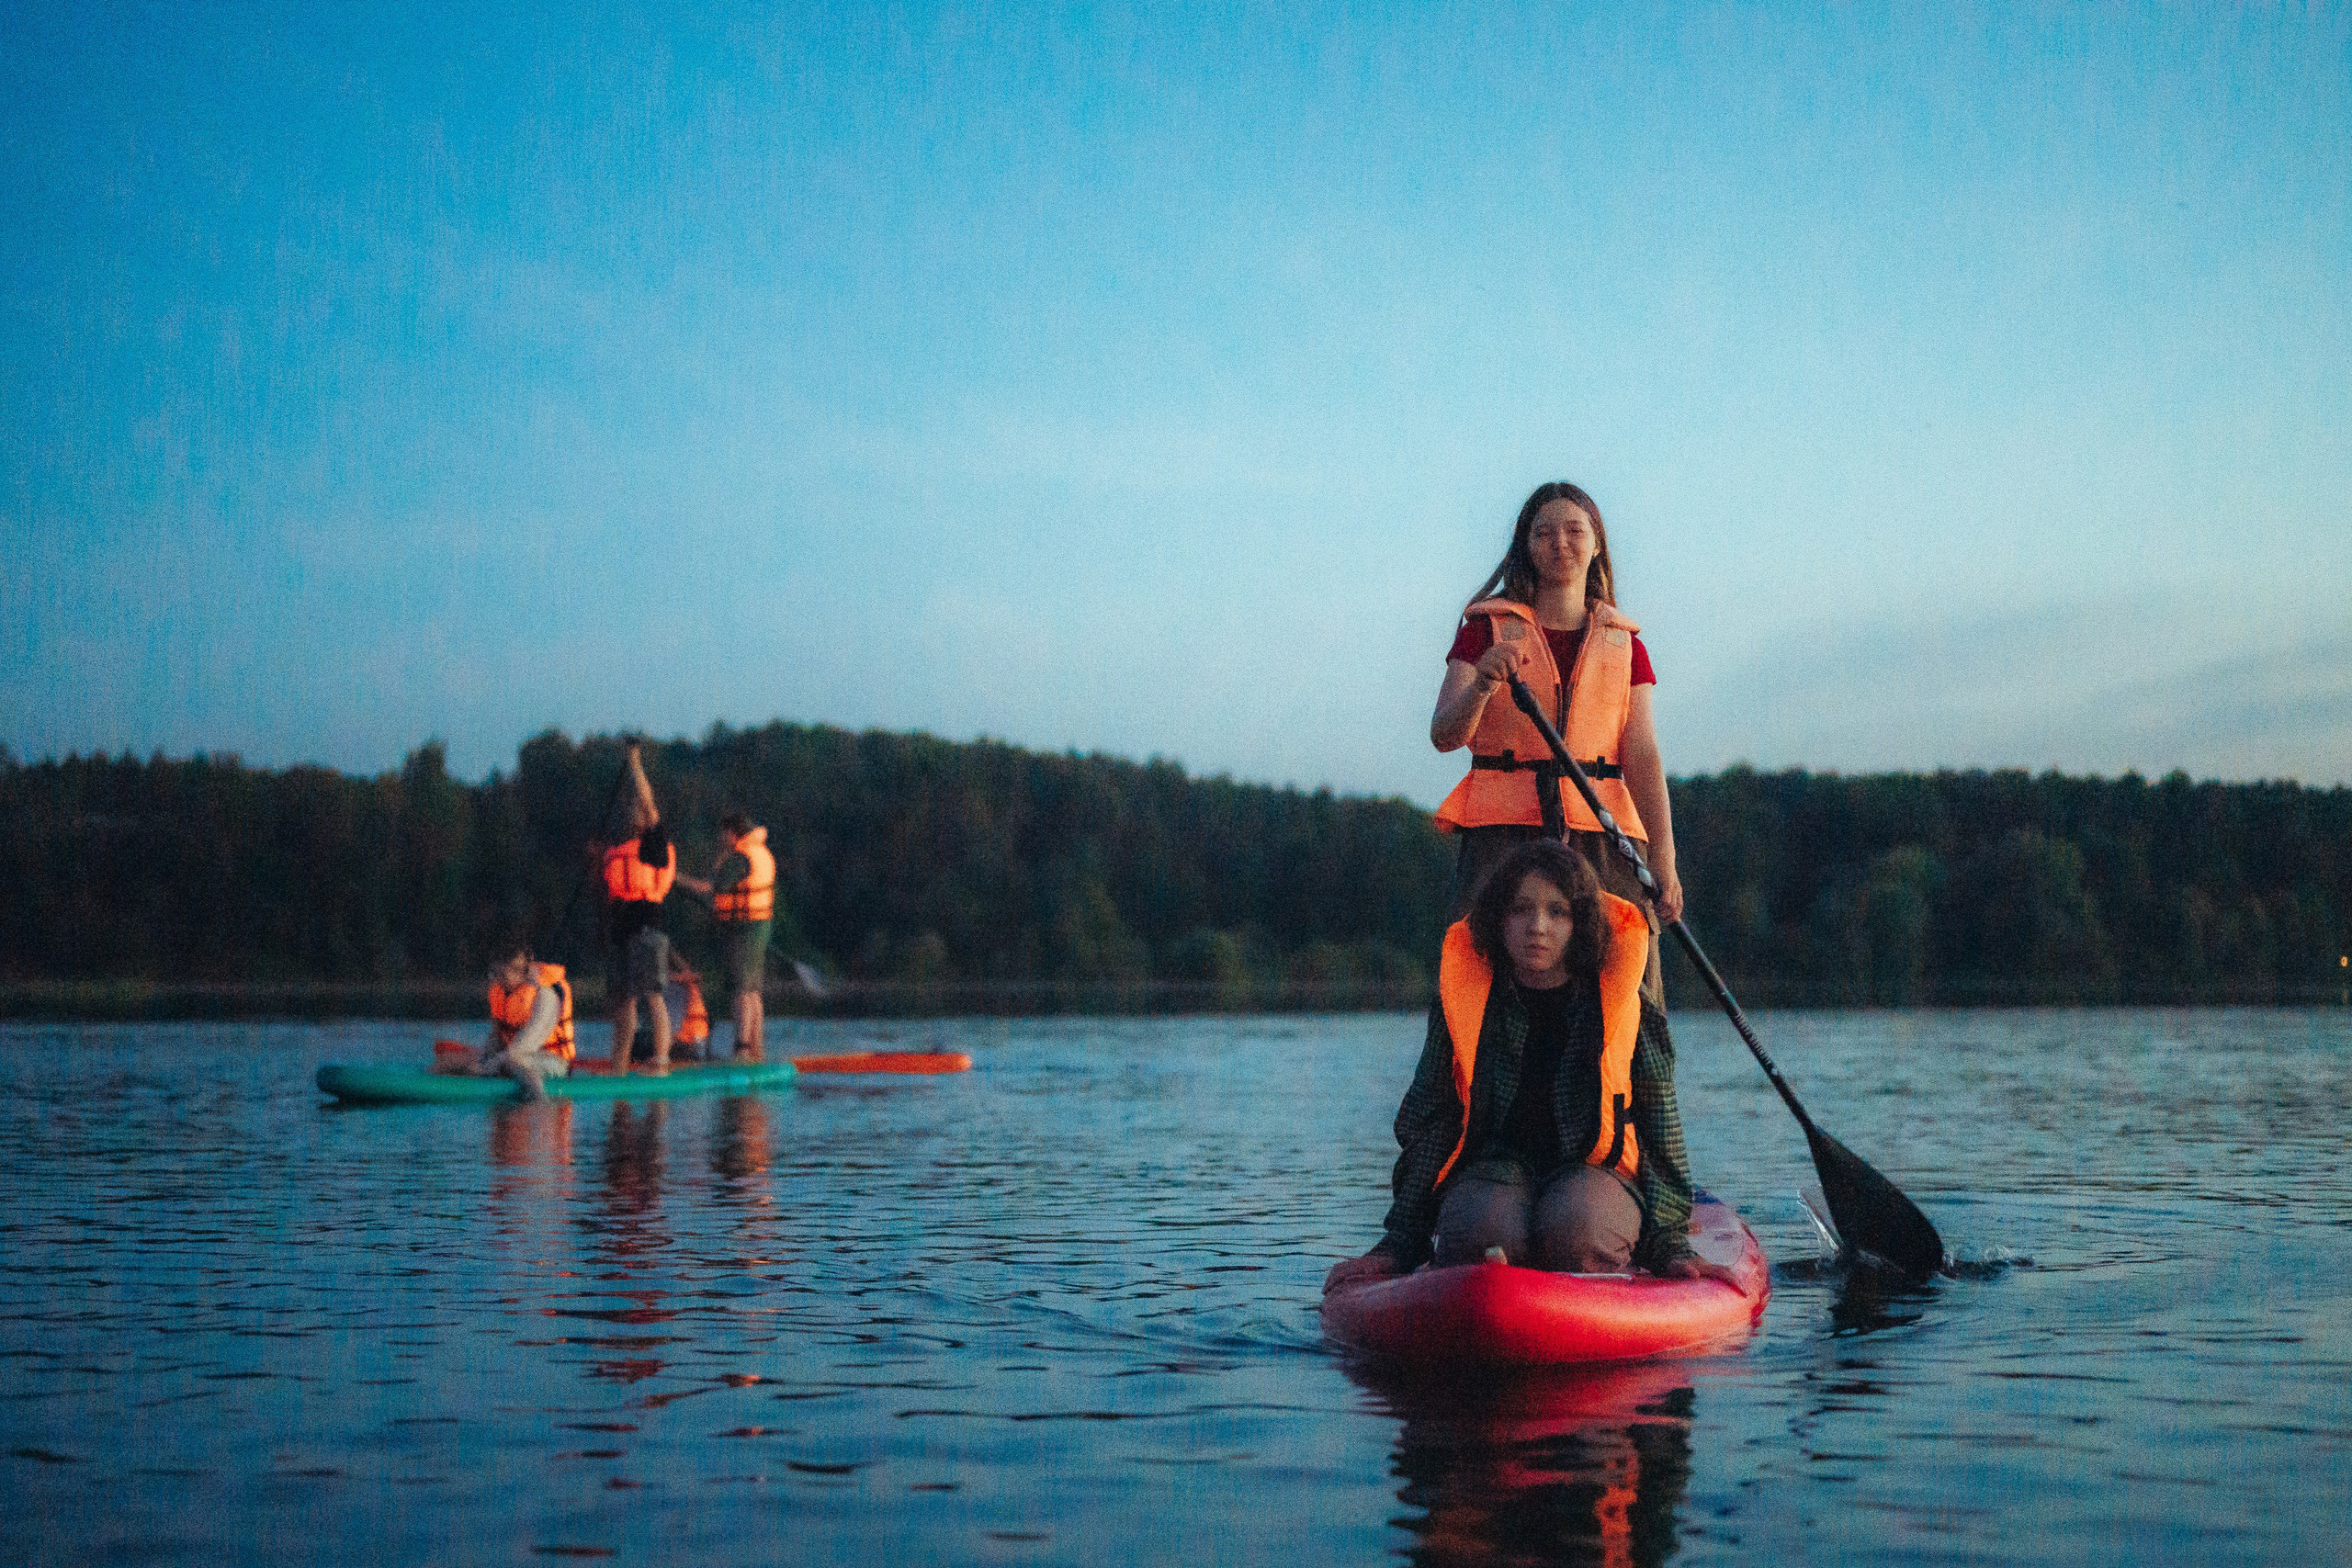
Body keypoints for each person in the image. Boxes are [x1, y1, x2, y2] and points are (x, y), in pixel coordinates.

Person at [1323, 840, 1736, 1290]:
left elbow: (1661, 1131)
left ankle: (1614, 1247)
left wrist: (1671, 1246)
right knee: (1480, 1236)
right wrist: (1399, 1243)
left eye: (1557, 912)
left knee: (1577, 1232)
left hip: (1595, 1169)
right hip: (1493, 1167)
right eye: (1520, 910)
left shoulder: (1628, 1005)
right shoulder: (1463, 1003)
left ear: (1579, 922)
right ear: (1499, 920)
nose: (1537, 927)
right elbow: (1429, 1123)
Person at [1428, 480, 1683, 1009]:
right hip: (1504, 836)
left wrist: (1665, 859)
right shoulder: (1484, 630)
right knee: (1483, 983)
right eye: (1543, 533)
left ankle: (1627, 1066)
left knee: (1623, 987)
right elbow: (1445, 735)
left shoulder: (1626, 644)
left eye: (1574, 531)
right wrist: (1482, 685)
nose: (1559, 543)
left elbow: (1642, 756)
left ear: (1596, 544)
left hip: (1603, 837)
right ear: (1526, 545)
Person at [599, 742, 676, 1072]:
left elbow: (648, 801)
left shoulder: (654, 843)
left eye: (640, 811)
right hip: (622, 930)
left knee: (652, 996)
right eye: (632, 810)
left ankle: (661, 1060)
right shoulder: (620, 848)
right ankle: (619, 1064)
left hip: (646, 928)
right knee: (623, 1001)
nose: (635, 813)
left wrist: (634, 764)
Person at [675, 811, 775, 1060]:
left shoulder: (740, 857)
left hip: (743, 930)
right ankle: (756, 1049)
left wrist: (674, 879)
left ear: (733, 832)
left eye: (724, 832)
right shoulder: (760, 852)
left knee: (741, 990)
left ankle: (742, 1050)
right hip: (758, 927)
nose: (721, 837)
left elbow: (711, 887)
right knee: (752, 990)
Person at [474, 942, 575, 1100]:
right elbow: (495, 1036)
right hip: (512, 1057)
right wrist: (481, 1061)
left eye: (502, 974)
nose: (496, 979)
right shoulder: (502, 991)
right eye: (495, 973)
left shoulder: (545, 996)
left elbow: (522, 1047)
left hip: (553, 1062)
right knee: (452, 1060)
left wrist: (489, 1067)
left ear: (522, 971)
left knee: (515, 1061)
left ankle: (539, 1100)